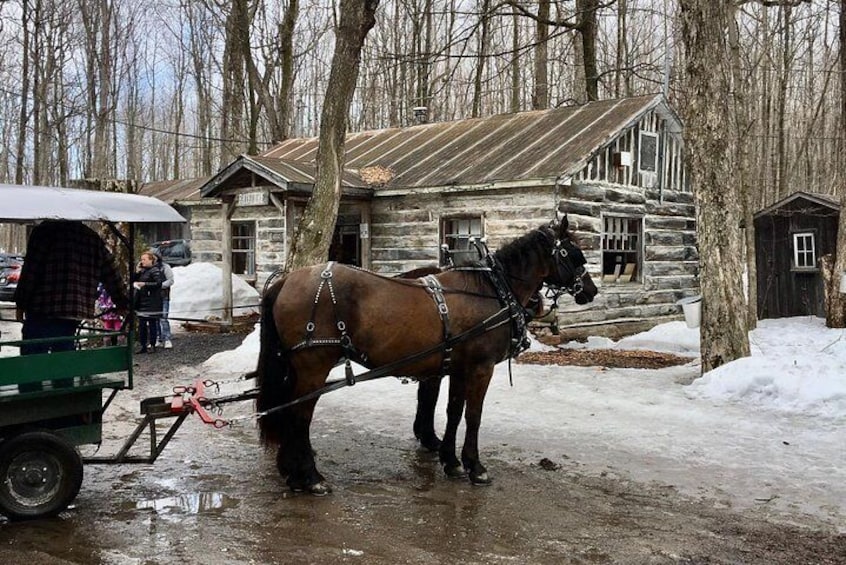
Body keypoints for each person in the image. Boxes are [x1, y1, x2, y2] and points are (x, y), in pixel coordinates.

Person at [15, 220, 128, 355]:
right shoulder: (91, 237)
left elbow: (31, 270)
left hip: (43, 307)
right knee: (64, 357)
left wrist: (21, 302)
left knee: (33, 357)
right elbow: (111, 272)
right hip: (73, 312)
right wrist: (122, 302)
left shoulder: (44, 231)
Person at [133, 251, 163, 353]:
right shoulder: (142, 271)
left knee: (152, 324)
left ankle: (153, 344)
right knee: (142, 325)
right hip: (142, 301)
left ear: (151, 260)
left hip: (151, 301)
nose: (142, 261)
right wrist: (137, 272)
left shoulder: (155, 270)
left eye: (145, 259)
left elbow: (158, 283)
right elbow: (133, 280)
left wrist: (145, 284)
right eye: (141, 259)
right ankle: (143, 345)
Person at [153, 250, 174, 349]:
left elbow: (170, 280)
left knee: (164, 318)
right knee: (155, 318)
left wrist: (160, 285)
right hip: (153, 297)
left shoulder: (165, 267)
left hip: (163, 295)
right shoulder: (149, 268)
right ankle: (157, 338)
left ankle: (167, 338)